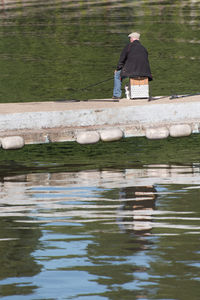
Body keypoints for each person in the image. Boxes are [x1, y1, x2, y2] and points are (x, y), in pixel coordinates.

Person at [113, 32, 152, 99]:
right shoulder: (143, 48)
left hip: (132, 71)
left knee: (117, 75)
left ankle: (117, 95)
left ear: (132, 38)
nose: (130, 40)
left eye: (130, 38)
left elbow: (122, 60)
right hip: (146, 72)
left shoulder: (128, 46)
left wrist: (118, 69)